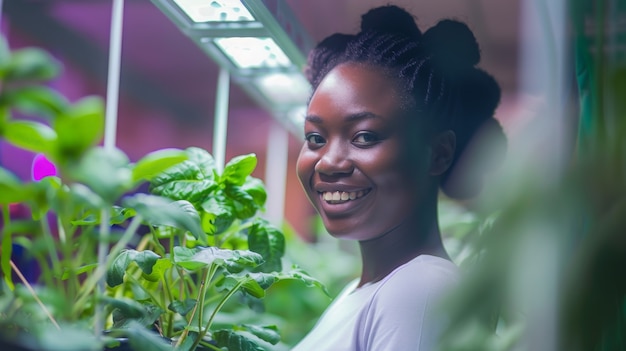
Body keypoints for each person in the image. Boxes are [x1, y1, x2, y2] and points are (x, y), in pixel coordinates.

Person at [292, 5, 506, 351]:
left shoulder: (418, 290)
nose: (328, 162)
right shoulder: (365, 291)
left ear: (438, 154)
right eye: (315, 138)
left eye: (364, 137)